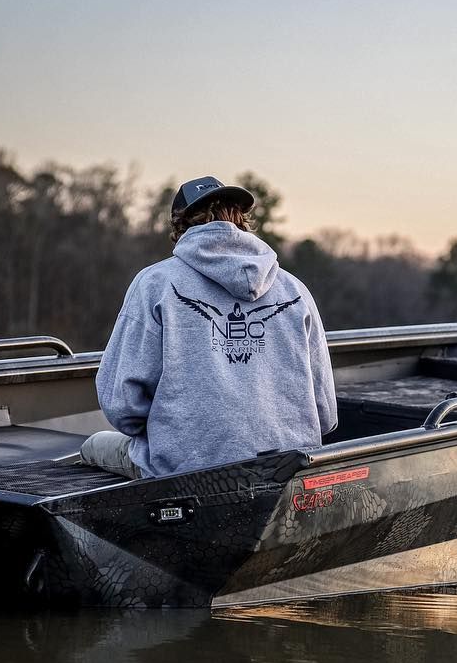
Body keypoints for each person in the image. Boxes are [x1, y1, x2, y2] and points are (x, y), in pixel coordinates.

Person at [81, 176, 337, 479]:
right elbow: (325, 415)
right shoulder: (294, 291)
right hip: (290, 470)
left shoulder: (155, 284)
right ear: (242, 219)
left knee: (92, 445)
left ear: (180, 225)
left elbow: (121, 405)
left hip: (185, 474)